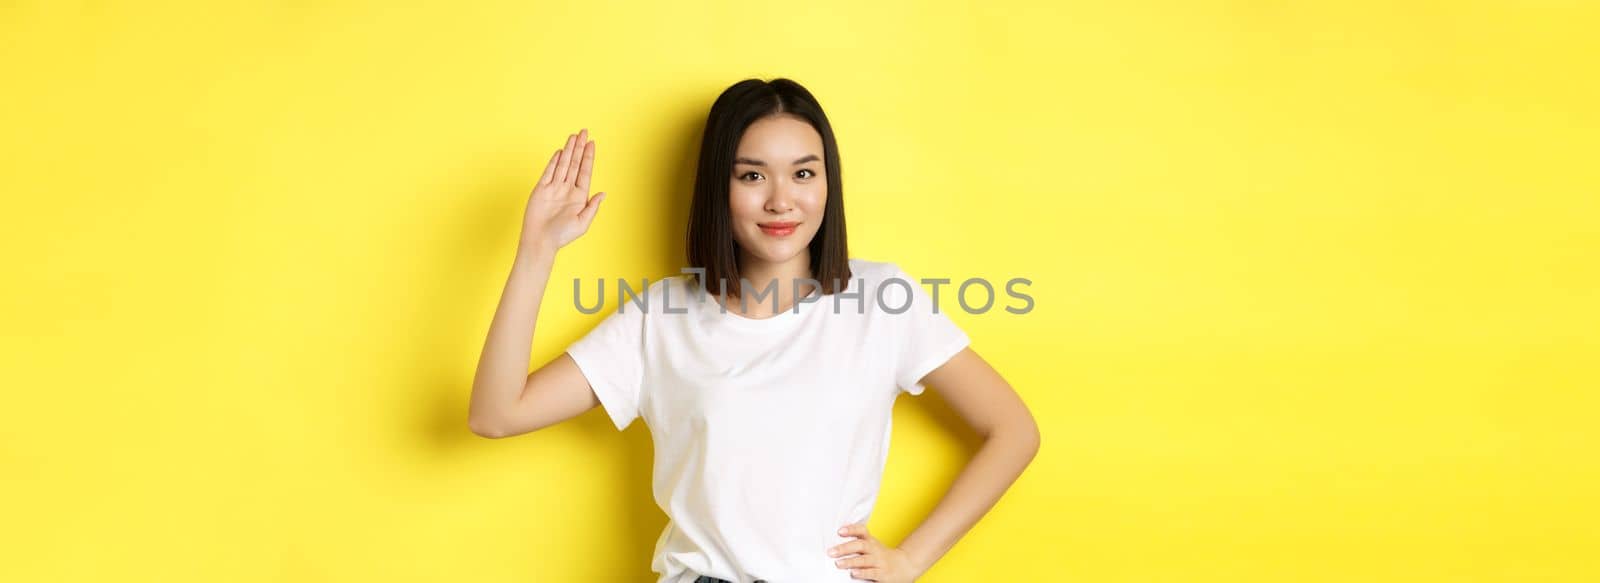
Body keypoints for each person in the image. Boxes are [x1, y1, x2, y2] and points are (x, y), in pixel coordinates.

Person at [468, 78, 1040, 583]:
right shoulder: (659, 317)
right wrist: (536, 252)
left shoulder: (882, 301)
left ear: (827, 183)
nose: (781, 200)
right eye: (752, 175)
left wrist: (911, 560)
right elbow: (497, 414)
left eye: (803, 173)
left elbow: (1013, 430)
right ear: (721, 185)